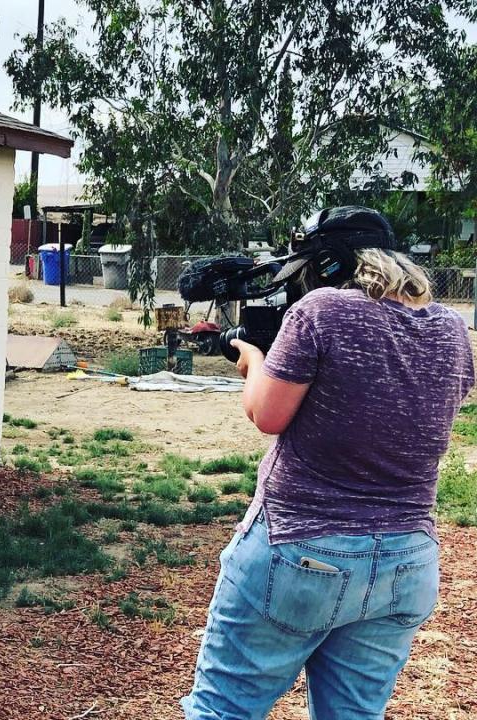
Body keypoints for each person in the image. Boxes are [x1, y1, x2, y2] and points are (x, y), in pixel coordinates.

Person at [182, 206, 475, 719]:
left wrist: (254, 362)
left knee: (223, 710)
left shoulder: (320, 311)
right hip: (406, 561)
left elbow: (268, 415)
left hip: (302, 548)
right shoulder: (451, 328)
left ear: (330, 263)